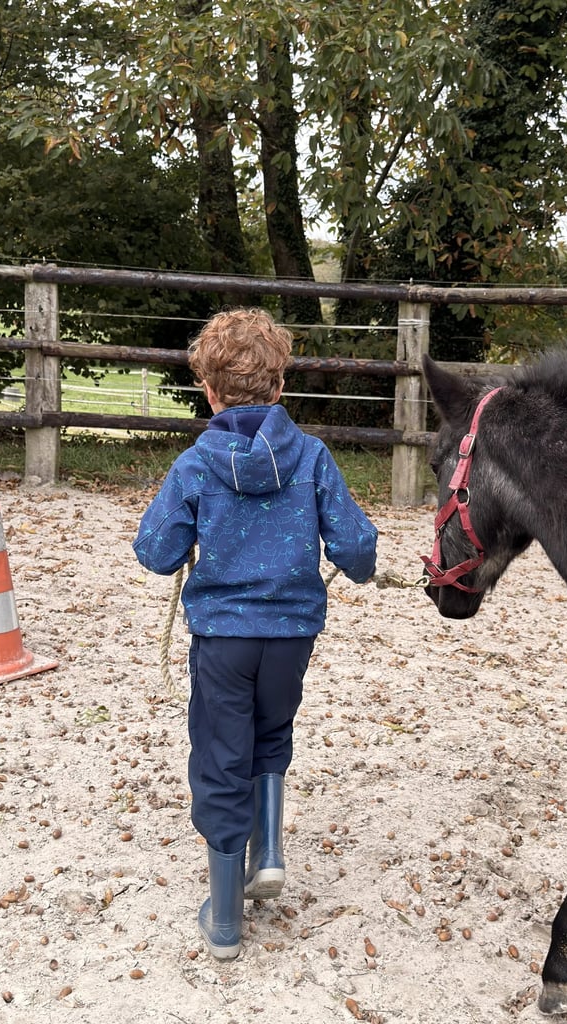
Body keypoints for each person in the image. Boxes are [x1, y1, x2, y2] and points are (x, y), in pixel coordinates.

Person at [133, 308, 378, 959]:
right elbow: (356, 546)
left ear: (209, 391)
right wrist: (362, 564)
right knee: (272, 731)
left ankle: (224, 919)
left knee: (221, 752)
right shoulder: (314, 458)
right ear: (280, 386)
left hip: (223, 640)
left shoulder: (195, 465)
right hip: (292, 635)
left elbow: (156, 551)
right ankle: (267, 848)